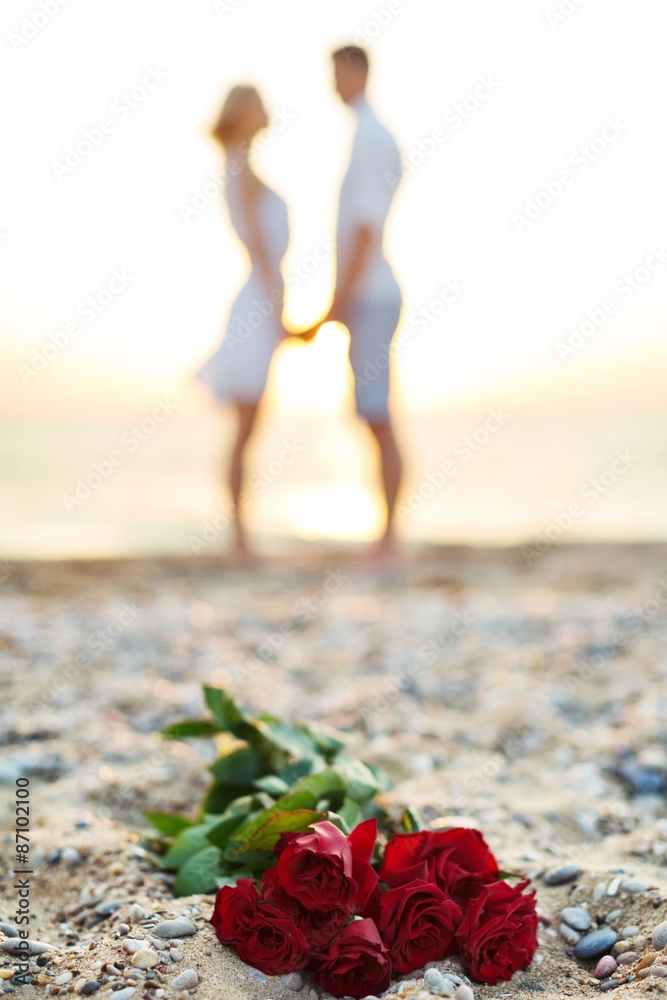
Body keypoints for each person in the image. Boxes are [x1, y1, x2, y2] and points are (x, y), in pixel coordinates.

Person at [195, 86, 302, 561]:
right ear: (242, 112)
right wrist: (279, 313)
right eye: (258, 102)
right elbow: (261, 250)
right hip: (257, 307)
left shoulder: (241, 164)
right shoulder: (239, 165)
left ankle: (240, 533)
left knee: (249, 426)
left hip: (259, 301)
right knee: (245, 427)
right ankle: (237, 536)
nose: (267, 108)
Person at [321, 46, 405, 561]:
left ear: (356, 70)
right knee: (373, 411)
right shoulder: (368, 134)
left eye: (335, 72)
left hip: (370, 293)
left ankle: (389, 539)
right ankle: (388, 535)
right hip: (369, 292)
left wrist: (340, 301)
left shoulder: (370, 137)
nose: (332, 83)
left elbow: (365, 228)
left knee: (378, 413)